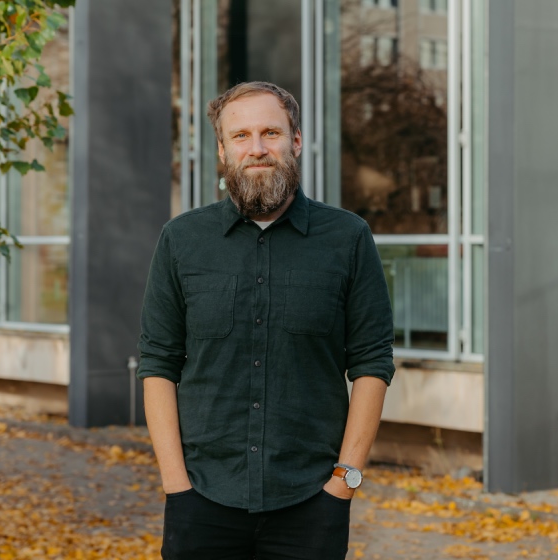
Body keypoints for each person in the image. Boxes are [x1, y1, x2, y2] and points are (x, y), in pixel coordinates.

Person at [137, 81, 394, 560]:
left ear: (296, 141)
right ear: (222, 149)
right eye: (241, 136)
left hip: (312, 502)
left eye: (271, 133)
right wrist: (176, 485)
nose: (256, 148)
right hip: (201, 499)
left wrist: (345, 481)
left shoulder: (349, 238)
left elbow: (372, 363)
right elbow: (157, 364)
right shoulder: (181, 240)